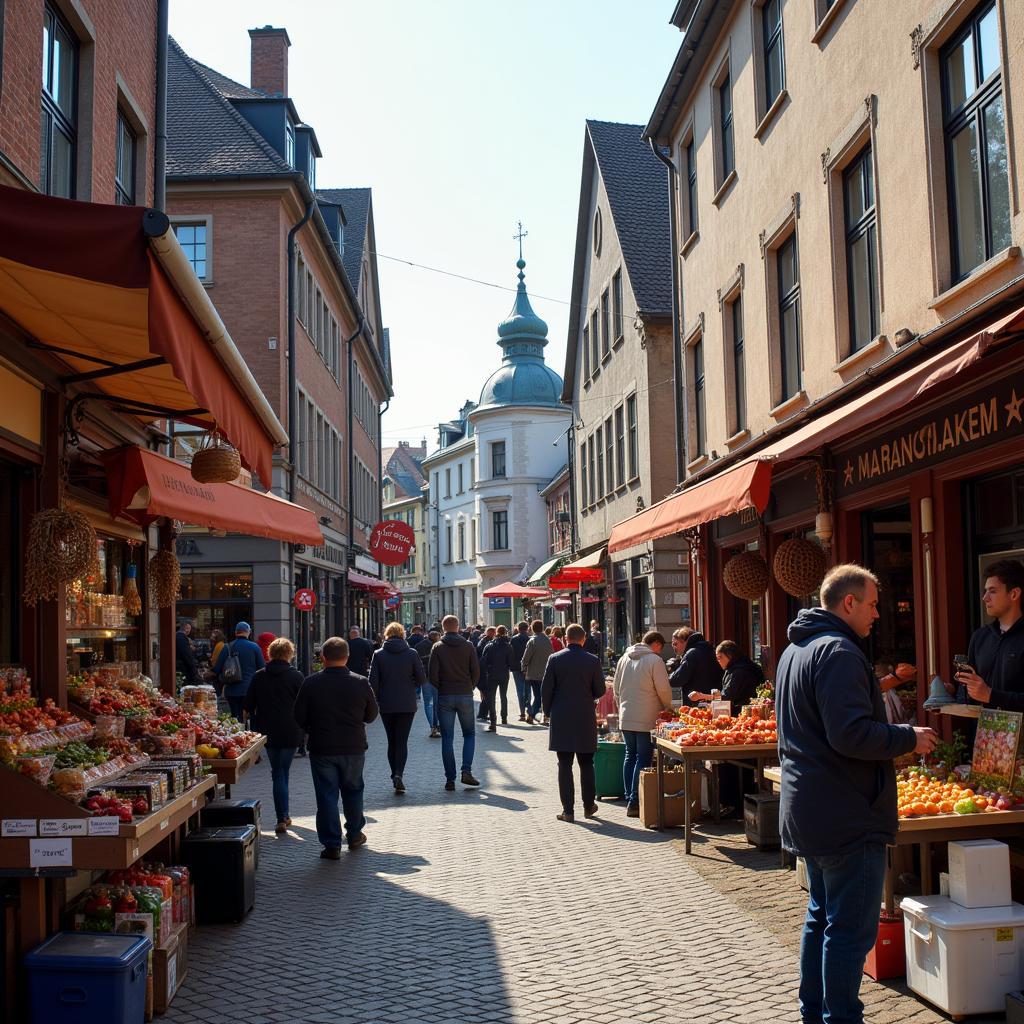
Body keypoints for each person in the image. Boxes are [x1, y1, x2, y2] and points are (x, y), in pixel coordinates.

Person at [776, 564, 936, 1024]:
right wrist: (908, 736)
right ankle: (841, 1018)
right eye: (872, 604)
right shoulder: (840, 652)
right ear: (849, 603)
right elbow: (850, 735)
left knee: (821, 917)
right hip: (846, 812)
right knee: (847, 931)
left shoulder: (796, 649)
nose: (877, 614)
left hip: (811, 807)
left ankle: (814, 1013)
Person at [293, 637, 379, 859]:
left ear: (323, 658)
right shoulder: (360, 682)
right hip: (353, 746)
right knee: (353, 790)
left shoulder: (311, 683)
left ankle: (332, 843)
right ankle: (354, 833)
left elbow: (299, 716)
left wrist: (313, 728)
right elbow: (371, 715)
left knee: (326, 795)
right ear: (347, 656)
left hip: (322, 747)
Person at [542, 623, 606, 822]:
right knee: (587, 763)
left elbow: (546, 689)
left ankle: (568, 811)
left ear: (565, 639)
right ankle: (589, 806)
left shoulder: (554, 659)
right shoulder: (593, 660)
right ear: (584, 638)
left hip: (561, 716)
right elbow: (600, 690)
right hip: (585, 716)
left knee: (564, 764)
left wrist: (548, 712)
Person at [243, 637, 304, 833]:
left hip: (267, 731)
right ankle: (282, 816)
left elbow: (248, 706)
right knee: (281, 772)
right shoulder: (296, 677)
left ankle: (283, 815)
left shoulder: (260, 676)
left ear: (270, 653)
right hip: (290, 730)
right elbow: (305, 706)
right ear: (289, 653)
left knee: (278, 772)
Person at [614, 630, 673, 817]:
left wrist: (621, 709)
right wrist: (668, 707)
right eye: (661, 648)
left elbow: (616, 689)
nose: (660, 652)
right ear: (655, 644)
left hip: (626, 715)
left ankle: (628, 797)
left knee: (629, 755)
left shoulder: (624, 658)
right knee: (643, 756)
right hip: (646, 717)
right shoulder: (655, 661)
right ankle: (634, 800)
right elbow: (663, 689)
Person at [956, 559, 1024, 710]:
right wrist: (948, 694)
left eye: (992, 591)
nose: (985, 598)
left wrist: (990, 696)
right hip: (982, 732)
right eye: (985, 591)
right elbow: (967, 695)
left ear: (1014, 594)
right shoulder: (979, 637)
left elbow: (986, 694)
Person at [369, 622, 426, 794]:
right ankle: (399, 774)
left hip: (387, 703)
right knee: (402, 741)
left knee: (391, 740)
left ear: (386, 634)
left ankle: (394, 772)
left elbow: (373, 683)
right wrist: (411, 686)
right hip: (407, 703)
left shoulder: (378, 654)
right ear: (402, 634)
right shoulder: (412, 653)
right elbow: (422, 678)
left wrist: (377, 698)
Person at [428, 615, 481, 790]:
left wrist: (442, 687)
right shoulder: (468, 646)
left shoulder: (437, 647)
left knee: (447, 738)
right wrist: (470, 686)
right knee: (469, 734)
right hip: (465, 694)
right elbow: (476, 671)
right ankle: (466, 770)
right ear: (458, 627)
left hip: (445, 696)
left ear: (443, 628)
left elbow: (432, 675)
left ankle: (450, 779)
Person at [688, 640, 764, 715]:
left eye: (720, 657)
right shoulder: (732, 669)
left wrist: (701, 696)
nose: (718, 661)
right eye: (717, 658)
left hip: (744, 713)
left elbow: (727, 697)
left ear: (730, 655)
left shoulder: (739, 671)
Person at [213, 621, 265, 721]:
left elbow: (217, 669)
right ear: (248, 632)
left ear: (236, 632)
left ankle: (238, 732)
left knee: (235, 717)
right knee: (250, 718)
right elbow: (262, 669)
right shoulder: (255, 647)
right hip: (249, 690)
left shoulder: (227, 647)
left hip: (231, 690)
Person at [668, 627, 722, 705]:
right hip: (713, 700)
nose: (674, 647)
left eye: (675, 643)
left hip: (697, 702)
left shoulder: (691, 653)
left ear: (683, 641)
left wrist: (674, 669)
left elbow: (676, 680)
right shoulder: (709, 649)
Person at [481, 626, 516, 729]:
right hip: (504, 673)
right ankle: (504, 717)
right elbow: (511, 662)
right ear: (505, 632)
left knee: (491, 697)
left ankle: (493, 721)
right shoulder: (508, 646)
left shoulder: (490, 645)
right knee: (503, 696)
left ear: (496, 632)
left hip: (492, 674)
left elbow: (484, 660)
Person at [521, 619, 554, 725]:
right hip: (545, 673)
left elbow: (526, 657)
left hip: (534, 673)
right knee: (543, 695)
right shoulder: (547, 640)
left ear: (532, 628)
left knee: (538, 696)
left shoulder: (532, 641)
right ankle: (544, 716)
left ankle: (532, 714)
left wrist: (523, 667)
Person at [418, 630, 441, 737]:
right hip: (438, 678)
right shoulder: (440, 646)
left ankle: (433, 726)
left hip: (425, 677)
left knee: (428, 703)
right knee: (438, 702)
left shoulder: (419, 646)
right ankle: (438, 725)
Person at [510, 621, 531, 721]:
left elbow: (511, 653)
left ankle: (522, 712)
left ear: (518, 628)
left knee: (520, 690)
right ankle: (529, 710)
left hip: (516, 668)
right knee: (528, 689)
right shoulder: (530, 639)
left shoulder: (514, 639)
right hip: (528, 668)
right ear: (527, 628)